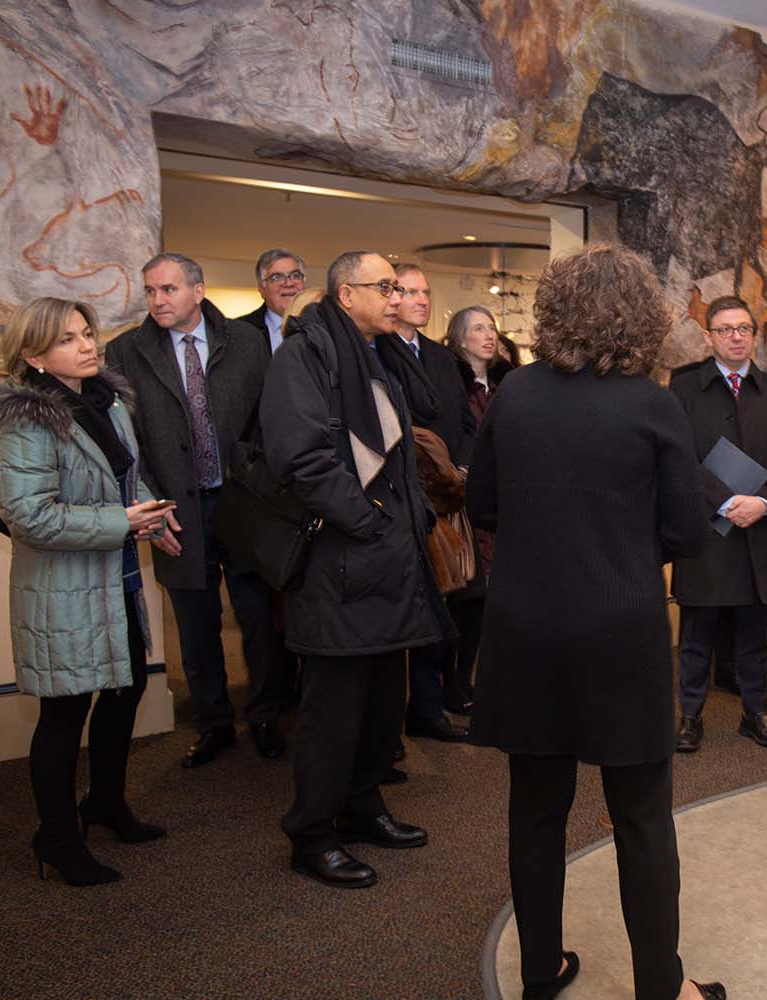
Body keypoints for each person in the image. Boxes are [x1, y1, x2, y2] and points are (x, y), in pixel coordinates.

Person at [467, 243, 723, 1000]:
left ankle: (539, 973)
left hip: (525, 631)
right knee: (643, 820)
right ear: (642, 318)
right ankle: (660, 990)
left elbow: (482, 505)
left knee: (535, 813)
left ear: (554, 311)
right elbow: (686, 533)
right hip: (620, 633)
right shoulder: (653, 404)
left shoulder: (513, 395)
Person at [0, 297, 170, 885]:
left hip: (116, 576)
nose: (87, 346)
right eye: (68, 339)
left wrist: (152, 512)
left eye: (87, 333)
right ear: (33, 355)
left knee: (126, 690)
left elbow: (122, 475)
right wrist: (122, 523)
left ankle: (104, 804)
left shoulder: (105, 399)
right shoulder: (24, 418)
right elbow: (28, 516)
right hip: (65, 590)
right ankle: (57, 838)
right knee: (64, 714)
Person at [260, 250, 449, 889]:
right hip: (342, 559)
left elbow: (399, 452)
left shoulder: (378, 356)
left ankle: (364, 806)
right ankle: (311, 833)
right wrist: (370, 525)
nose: (398, 297)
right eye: (386, 287)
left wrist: (411, 518)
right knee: (332, 710)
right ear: (346, 295)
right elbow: (303, 461)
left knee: (379, 702)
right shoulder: (303, 356)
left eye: (400, 287)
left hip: (385, 559)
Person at [105, 253, 296, 767]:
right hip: (175, 510)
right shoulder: (125, 352)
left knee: (258, 619)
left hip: (243, 506)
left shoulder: (247, 343)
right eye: (150, 291)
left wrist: (266, 492)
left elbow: (269, 422)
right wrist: (149, 506)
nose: (158, 300)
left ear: (197, 290)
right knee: (195, 623)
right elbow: (127, 443)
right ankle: (213, 723)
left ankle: (264, 716)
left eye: (168, 289)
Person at [670, 295, 767, 754]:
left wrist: (763, 503)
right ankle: (689, 717)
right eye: (725, 329)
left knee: (753, 636)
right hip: (707, 534)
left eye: (744, 328)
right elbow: (678, 459)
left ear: (754, 334)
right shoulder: (684, 390)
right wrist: (725, 501)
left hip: (758, 534)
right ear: (708, 337)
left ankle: (756, 713)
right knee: (696, 636)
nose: (735, 336)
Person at [383, 262, 475, 742]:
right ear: (390, 296)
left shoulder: (441, 359)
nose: (420, 299)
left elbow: (462, 419)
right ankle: (406, 716)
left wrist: (460, 466)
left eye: (425, 292)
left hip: (448, 495)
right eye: (408, 290)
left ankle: (431, 705)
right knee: (412, 608)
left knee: (446, 601)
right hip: (405, 497)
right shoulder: (376, 352)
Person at [442, 305, 511, 713]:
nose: (489, 335)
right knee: (463, 598)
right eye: (479, 328)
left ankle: (468, 681)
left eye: (492, 328)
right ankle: (450, 685)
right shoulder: (454, 387)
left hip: (500, 508)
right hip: (463, 507)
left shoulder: (505, 385)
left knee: (485, 604)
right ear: (459, 338)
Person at [237, 248, 307, 355]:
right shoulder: (239, 331)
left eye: (295, 275)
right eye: (277, 277)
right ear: (262, 289)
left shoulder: (325, 326)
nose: (289, 283)